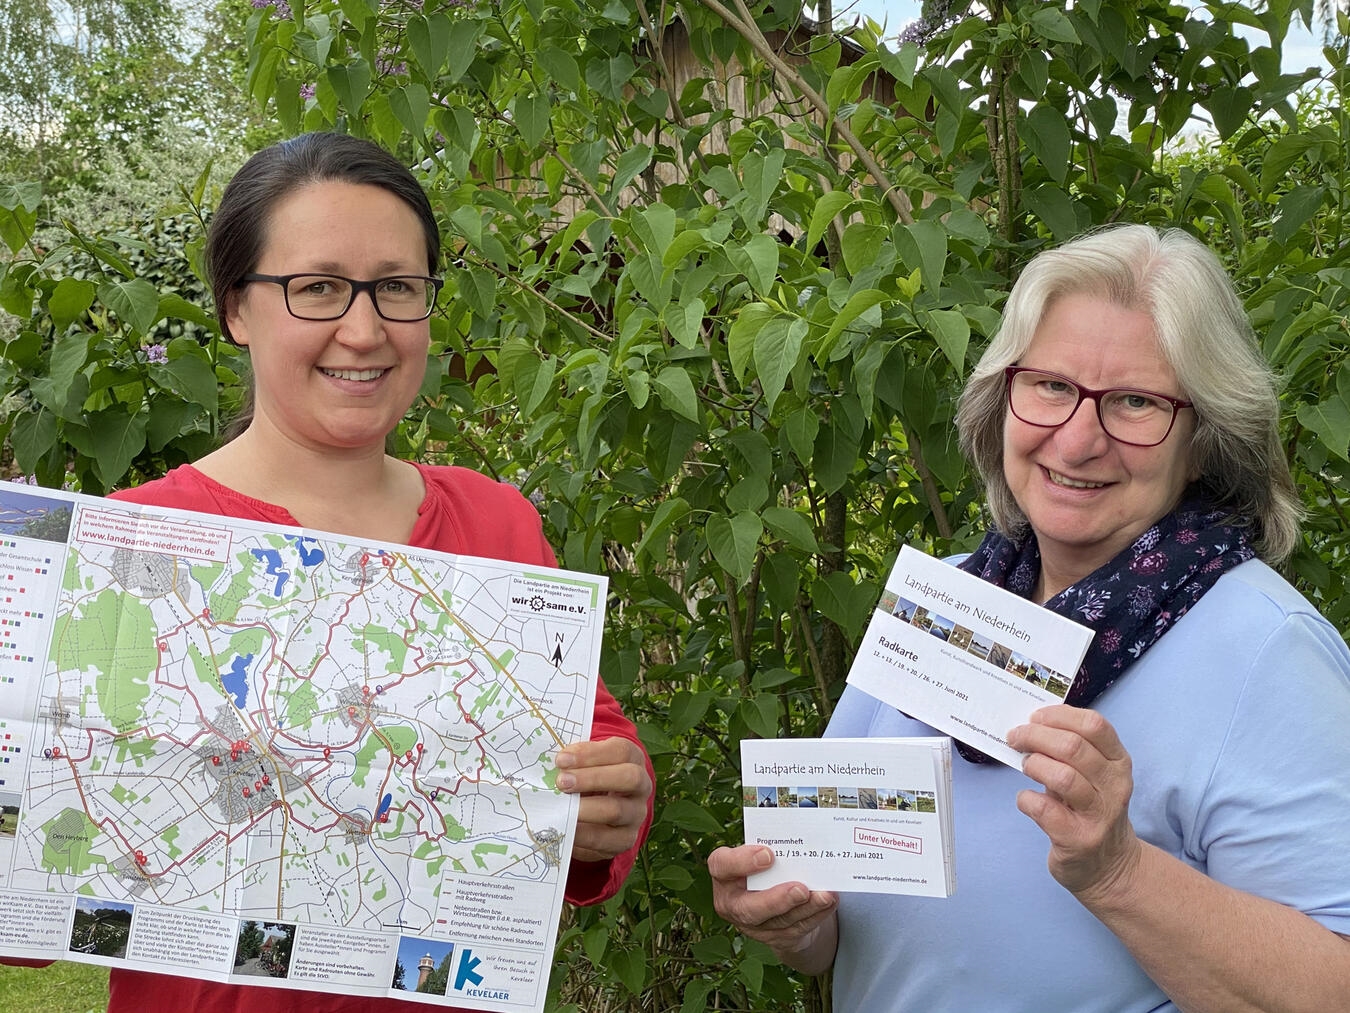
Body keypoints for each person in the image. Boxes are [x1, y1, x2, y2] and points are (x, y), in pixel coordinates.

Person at [4, 132, 653, 1012]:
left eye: (396, 286)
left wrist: (613, 801)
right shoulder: (126, 546)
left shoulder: (499, 522)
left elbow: (597, 753)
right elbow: (41, 899)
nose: (364, 328)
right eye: (316, 288)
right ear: (237, 308)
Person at [709, 224, 1350, 1011]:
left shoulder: (1266, 648)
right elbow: (849, 917)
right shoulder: (945, 598)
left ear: (1205, 438)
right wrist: (792, 922)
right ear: (1000, 396)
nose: (1078, 440)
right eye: (1050, 385)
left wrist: (1120, 871)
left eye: (1136, 402)